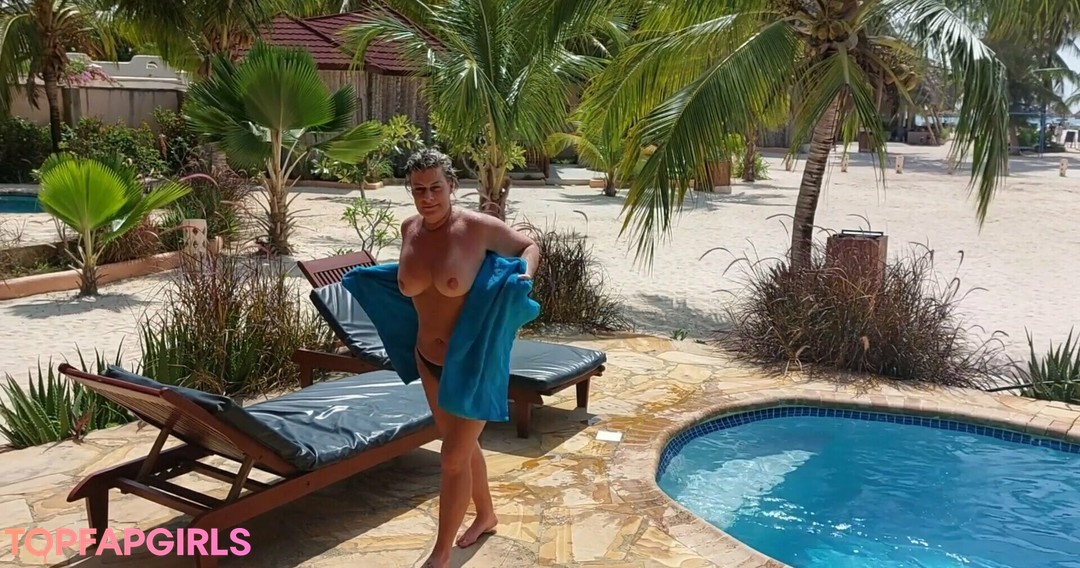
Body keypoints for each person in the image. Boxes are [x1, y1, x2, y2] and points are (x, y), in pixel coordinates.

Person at [397, 147, 540, 568]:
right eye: (418, 190)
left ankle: (441, 554)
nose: (427, 198)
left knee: (452, 457)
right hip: (428, 359)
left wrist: (523, 278)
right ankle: (486, 515)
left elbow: (528, 246)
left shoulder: (477, 228)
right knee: (461, 446)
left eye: (435, 188)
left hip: (476, 361)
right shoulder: (409, 229)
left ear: (452, 186)